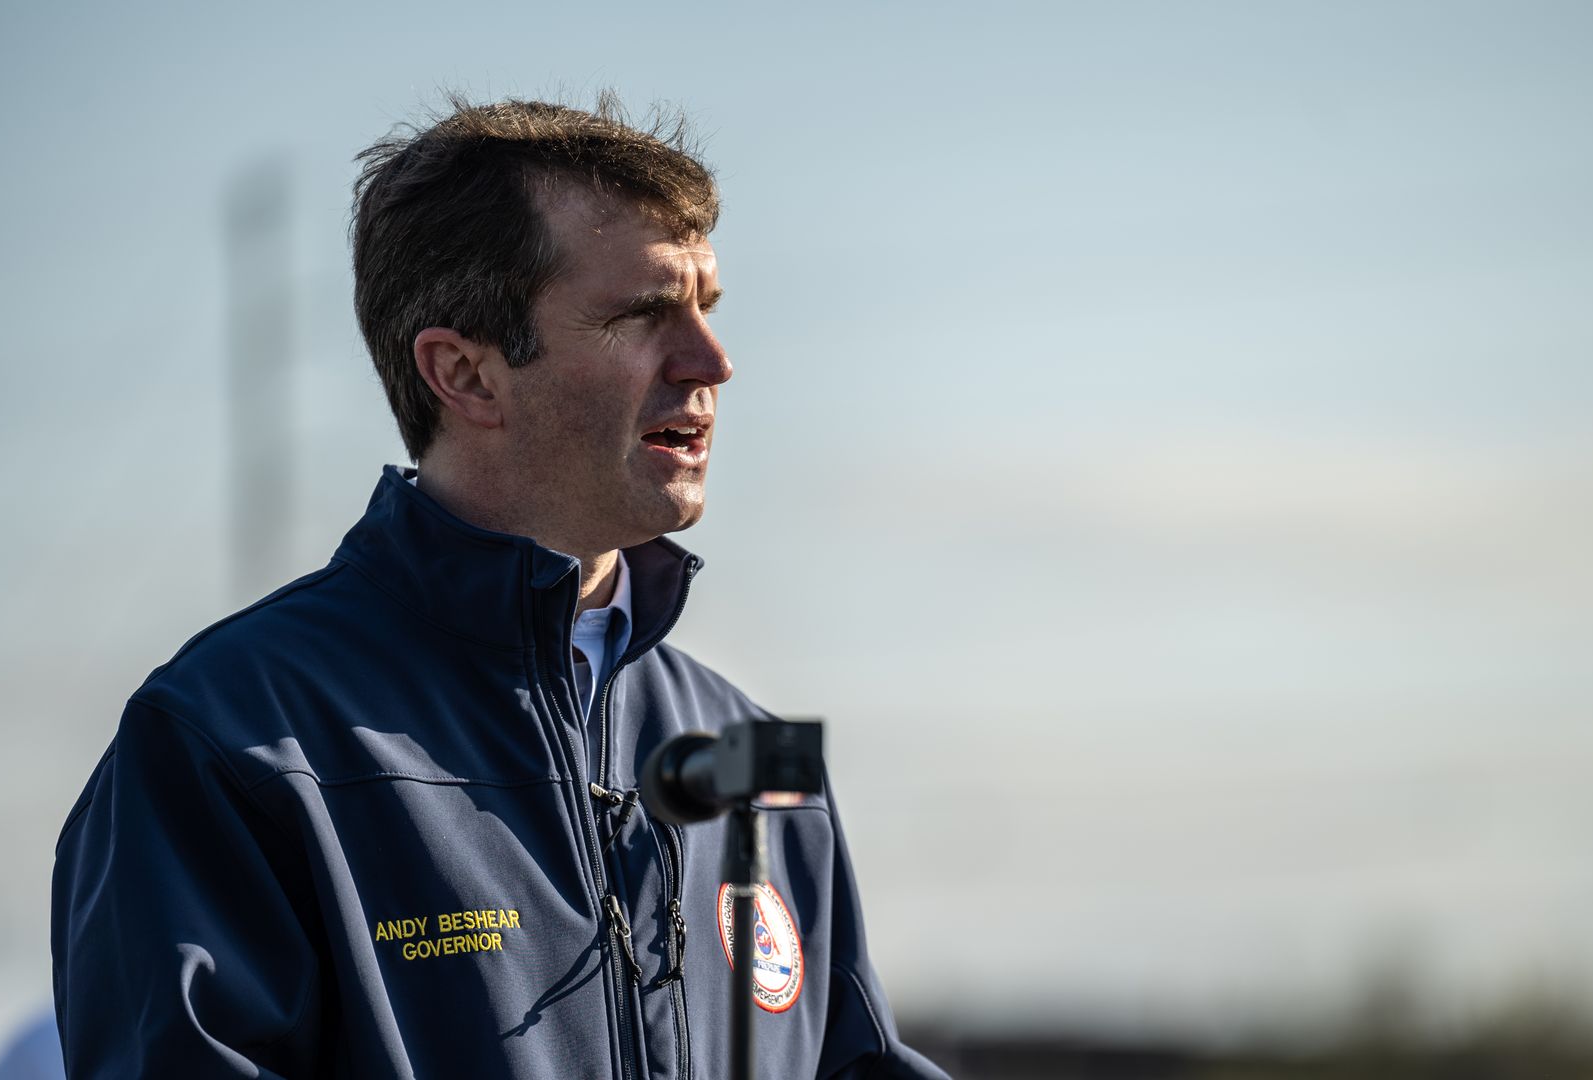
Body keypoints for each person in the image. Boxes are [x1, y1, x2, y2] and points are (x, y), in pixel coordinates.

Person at [51, 96, 946, 1079]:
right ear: (466, 375)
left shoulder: (756, 759)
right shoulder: (229, 741)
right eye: (642, 313)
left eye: (708, 307)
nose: (712, 362)